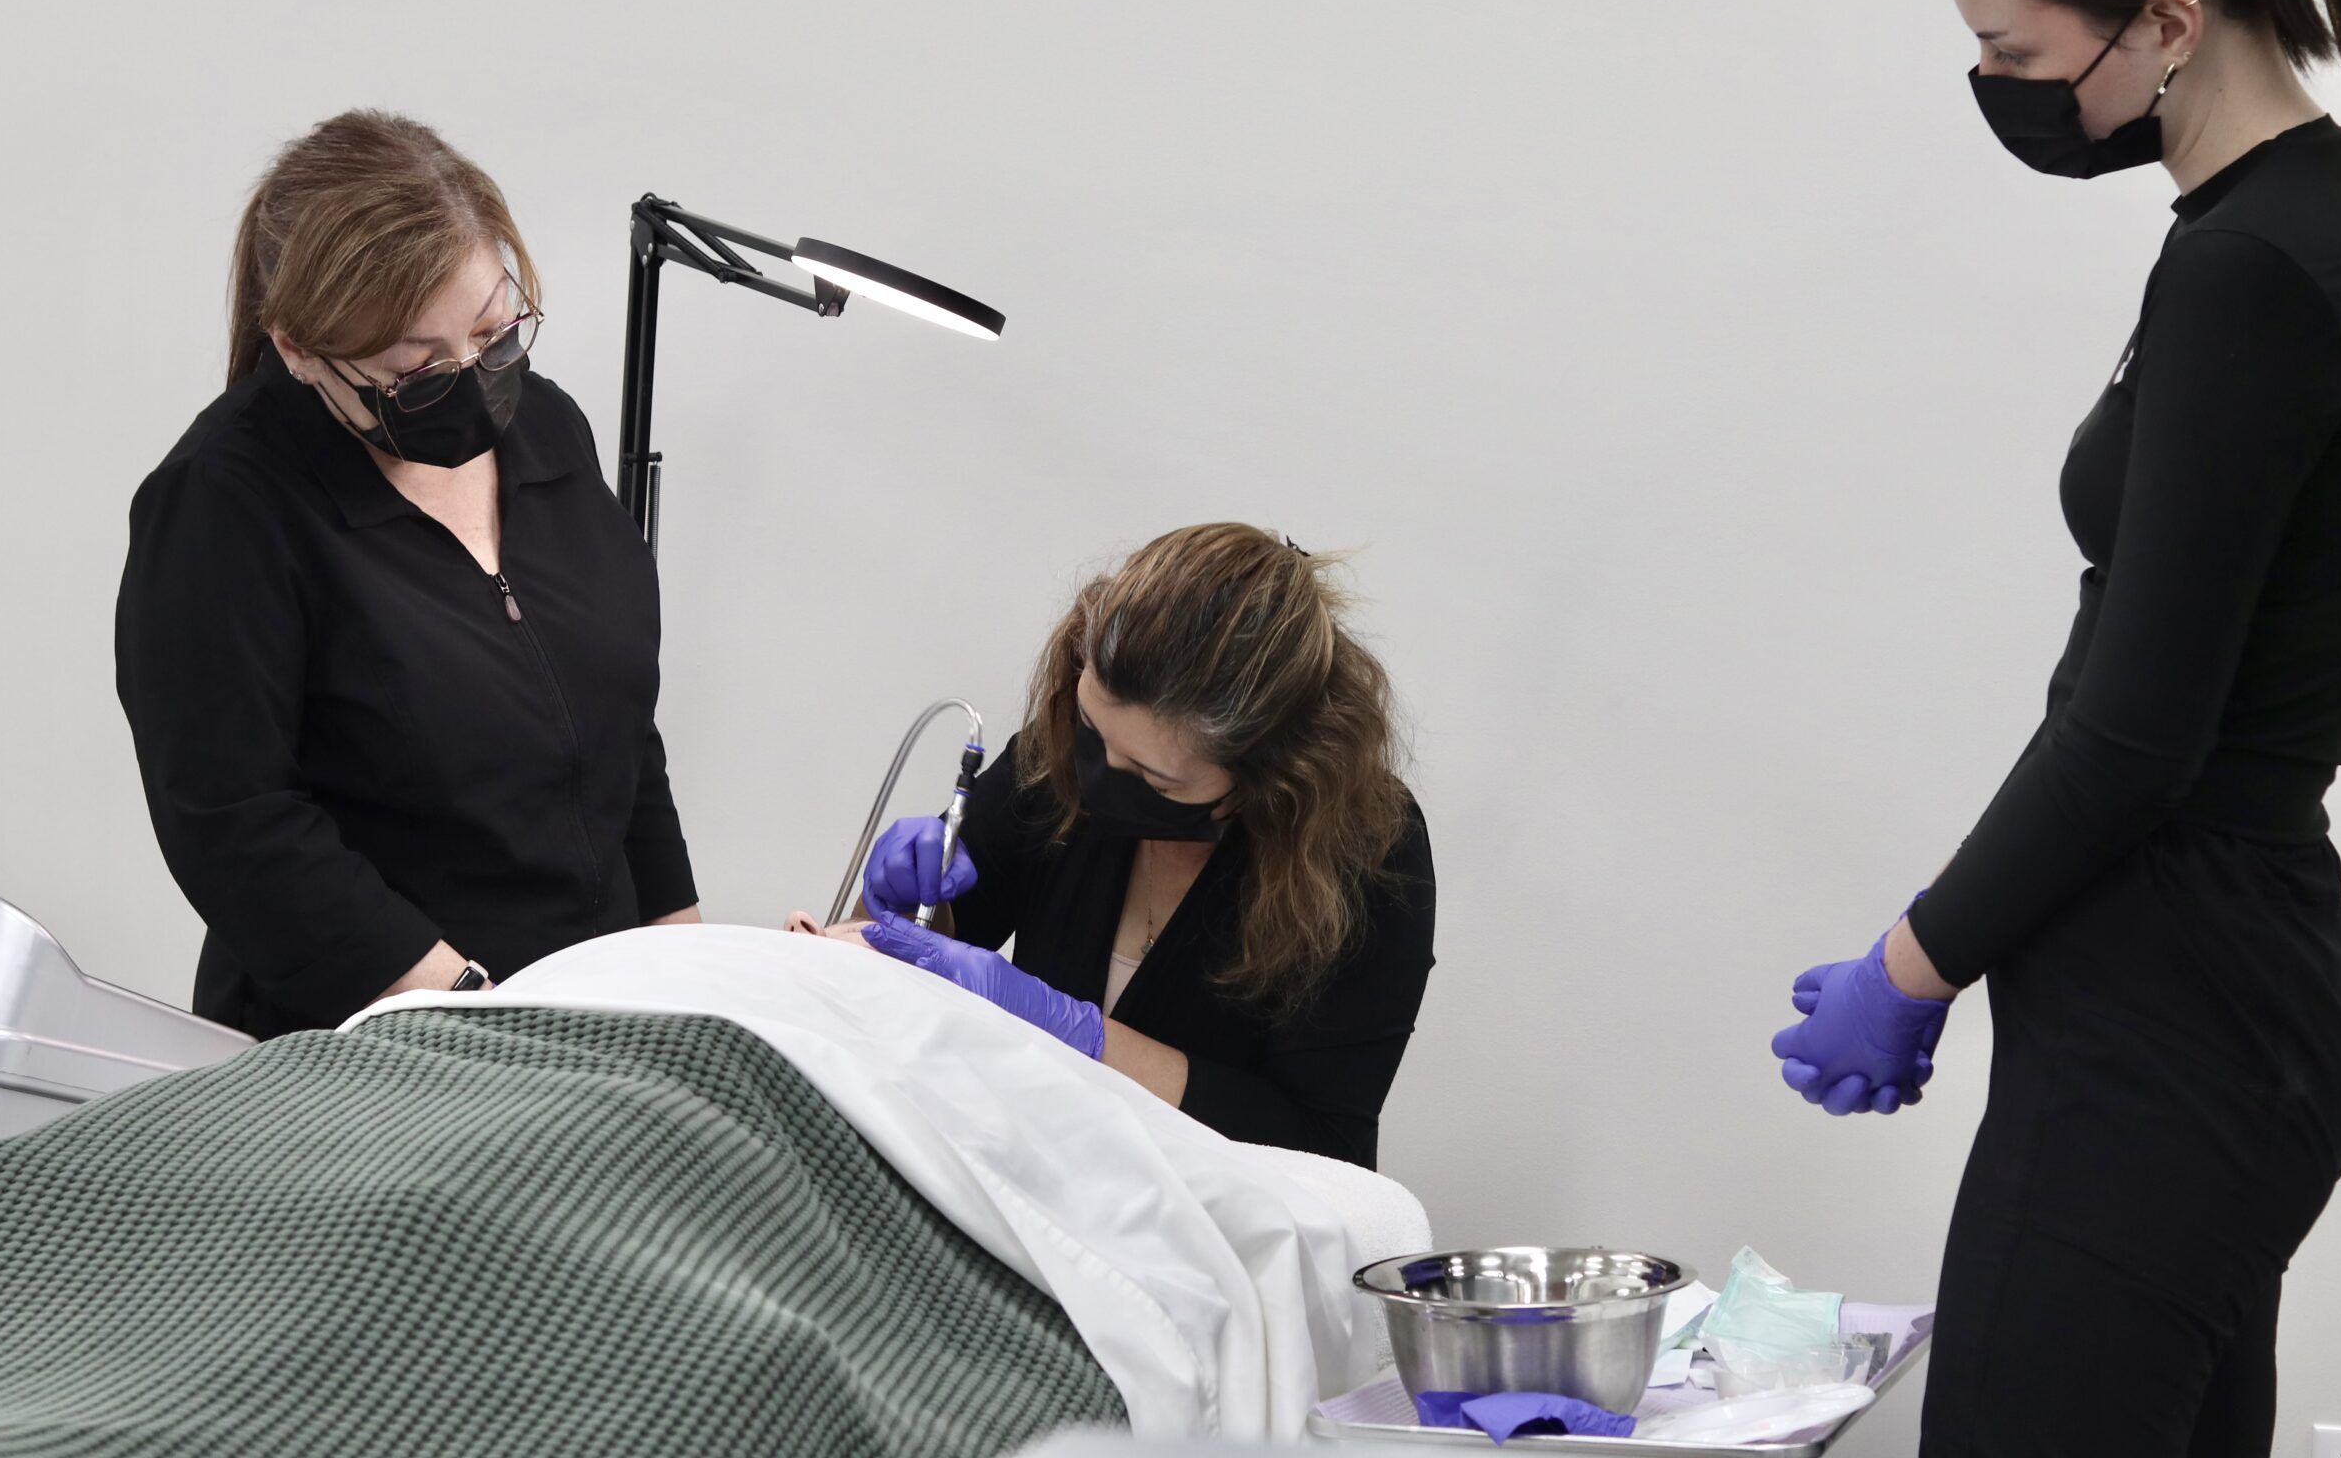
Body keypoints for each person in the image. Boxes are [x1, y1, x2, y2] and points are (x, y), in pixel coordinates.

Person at [1771, 0, 2341, 1458]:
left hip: (2180, 1018)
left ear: (2166, 23)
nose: (1992, 83)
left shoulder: (2254, 275)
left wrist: (1912, 961)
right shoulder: (2273, 233)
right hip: (2207, 997)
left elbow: (2137, 730)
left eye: (2011, 48)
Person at [115, 110, 700, 1038]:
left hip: (597, 1017)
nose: (473, 380)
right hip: (378, 1042)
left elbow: (618, 727)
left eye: (495, 334)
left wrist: (690, 967)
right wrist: (466, 1006)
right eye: (417, 372)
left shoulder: (548, 430)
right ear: (298, 349)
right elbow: (234, 821)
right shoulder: (225, 505)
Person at [832, 524, 1434, 1169]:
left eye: (1153, 778)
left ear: (1271, 767)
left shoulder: (1369, 853)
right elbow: (910, 959)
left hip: (1216, 1203)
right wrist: (898, 904)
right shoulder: (1053, 760)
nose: (1099, 778)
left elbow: (1320, 1142)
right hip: (1029, 1165)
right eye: (1093, 731)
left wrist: (1078, 1034)